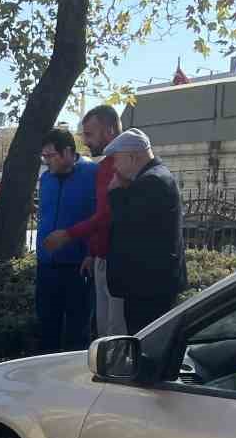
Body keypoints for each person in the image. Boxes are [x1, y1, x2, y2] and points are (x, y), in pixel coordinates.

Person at [46, 104, 123, 336]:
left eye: (89, 134)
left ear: (109, 130)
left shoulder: (114, 167)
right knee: (103, 329)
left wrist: (69, 235)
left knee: (112, 332)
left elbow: (105, 215)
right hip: (96, 260)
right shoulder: (104, 166)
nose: (86, 141)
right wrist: (93, 252)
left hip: (114, 262)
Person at [101, 128, 186, 332]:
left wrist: (115, 193)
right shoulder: (154, 177)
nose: (114, 167)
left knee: (146, 341)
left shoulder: (151, 182)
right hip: (150, 284)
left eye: (116, 159)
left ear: (132, 157)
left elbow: (127, 228)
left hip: (148, 287)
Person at [33, 126, 97, 351]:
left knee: (77, 333)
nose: (46, 161)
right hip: (46, 266)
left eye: (51, 156)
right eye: (44, 156)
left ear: (68, 151)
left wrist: (91, 253)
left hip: (79, 267)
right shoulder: (46, 179)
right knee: (46, 329)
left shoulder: (93, 174)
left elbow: (100, 218)